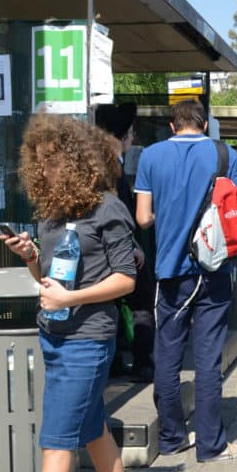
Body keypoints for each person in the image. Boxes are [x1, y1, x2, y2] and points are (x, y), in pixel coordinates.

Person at [0, 116, 141, 472]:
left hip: (88, 338)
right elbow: (47, 278)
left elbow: (127, 279)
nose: (43, 170)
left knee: (58, 441)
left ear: (77, 160)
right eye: (38, 162)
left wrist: (74, 297)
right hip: (55, 333)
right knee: (90, 428)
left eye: (52, 161)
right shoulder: (51, 213)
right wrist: (29, 257)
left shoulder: (108, 209)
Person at [133, 99, 237, 461]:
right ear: (204, 124)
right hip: (213, 269)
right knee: (207, 358)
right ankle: (212, 445)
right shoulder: (225, 155)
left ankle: (171, 438)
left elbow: (144, 218)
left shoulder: (150, 156)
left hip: (169, 270)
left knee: (167, 355)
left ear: (172, 125)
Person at [95, 104, 155, 383]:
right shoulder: (112, 168)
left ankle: (117, 358)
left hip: (107, 247)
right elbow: (117, 211)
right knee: (141, 301)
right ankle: (142, 361)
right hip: (121, 247)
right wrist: (132, 244)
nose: (133, 138)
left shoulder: (99, 164)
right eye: (131, 132)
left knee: (114, 302)